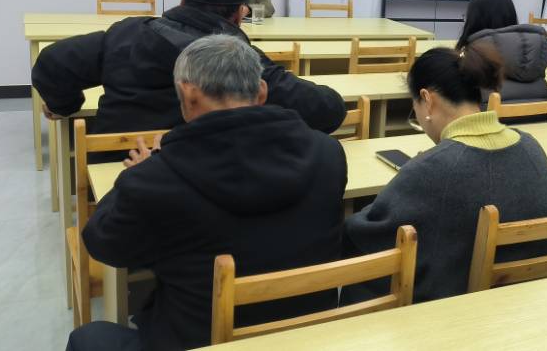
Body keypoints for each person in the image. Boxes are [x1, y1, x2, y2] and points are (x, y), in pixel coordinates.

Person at [65, 35, 347, 351]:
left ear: (188, 93)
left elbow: (104, 244)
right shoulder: (328, 153)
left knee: (86, 338)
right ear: (262, 92)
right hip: (306, 337)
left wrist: (136, 173)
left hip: (200, 341)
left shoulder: (156, 178)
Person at [342, 43, 547, 303]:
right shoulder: (530, 146)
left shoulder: (433, 168)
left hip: (463, 309)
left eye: (415, 108)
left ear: (428, 100)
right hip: (537, 299)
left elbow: (367, 234)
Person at [32, 0, 346, 143]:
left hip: (116, 165)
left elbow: (51, 62)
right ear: (239, 15)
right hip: (202, 175)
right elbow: (326, 110)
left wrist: (65, 106)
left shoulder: (126, 32)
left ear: (182, 0)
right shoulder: (238, 61)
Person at [457, 0, 547, 105]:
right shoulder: (536, 54)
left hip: (486, 116)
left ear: (474, 21)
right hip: (538, 116)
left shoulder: (471, 61)